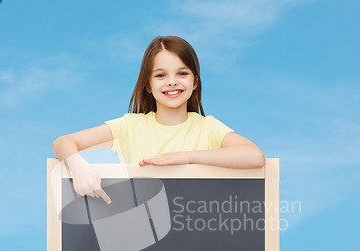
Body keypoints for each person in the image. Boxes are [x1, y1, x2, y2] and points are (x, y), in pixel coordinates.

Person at [52, 36, 264, 204]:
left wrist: (184, 158)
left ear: (195, 82)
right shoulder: (130, 126)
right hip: (141, 237)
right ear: (148, 85)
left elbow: (254, 157)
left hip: (196, 232)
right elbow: (63, 142)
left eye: (182, 73)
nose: (172, 82)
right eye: (160, 75)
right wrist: (78, 167)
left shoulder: (207, 127)